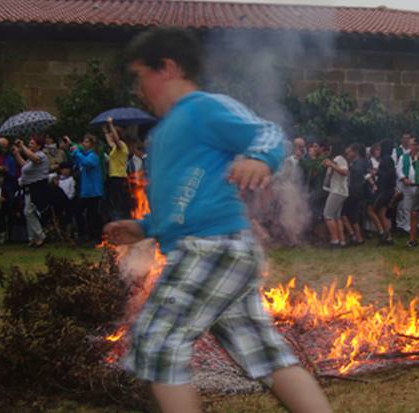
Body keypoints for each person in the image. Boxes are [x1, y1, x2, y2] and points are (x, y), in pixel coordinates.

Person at [103, 28, 331, 413]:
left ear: (168, 68)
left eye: (141, 75)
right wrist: (144, 228)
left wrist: (260, 158)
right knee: (267, 356)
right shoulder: (162, 138)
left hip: (213, 248)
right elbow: (179, 205)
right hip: (215, 251)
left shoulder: (202, 109)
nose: (138, 88)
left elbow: (268, 134)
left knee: (157, 342)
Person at [12, 136, 50, 248]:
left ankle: (40, 236)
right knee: (28, 212)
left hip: (38, 187)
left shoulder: (41, 155)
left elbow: (35, 159)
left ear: (39, 146)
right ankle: (34, 237)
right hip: (29, 187)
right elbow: (25, 166)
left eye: (32, 144)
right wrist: (16, 154)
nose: (29, 145)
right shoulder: (30, 158)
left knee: (30, 212)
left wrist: (22, 146)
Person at [67, 134, 104, 246]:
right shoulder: (85, 155)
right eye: (83, 142)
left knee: (93, 215)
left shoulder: (93, 156)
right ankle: (84, 235)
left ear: (92, 144)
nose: (84, 144)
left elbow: (87, 163)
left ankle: (96, 237)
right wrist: (73, 153)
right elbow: (78, 163)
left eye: (87, 142)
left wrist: (77, 152)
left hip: (93, 191)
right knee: (79, 212)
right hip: (85, 192)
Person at [103, 118, 131, 221]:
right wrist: (106, 132)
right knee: (114, 203)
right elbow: (110, 142)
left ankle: (120, 221)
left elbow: (115, 139)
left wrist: (111, 125)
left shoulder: (121, 146)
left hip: (119, 178)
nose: (111, 136)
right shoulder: (115, 147)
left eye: (112, 134)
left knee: (118, 204)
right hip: (114, 178)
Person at [322, 145, 349, 247]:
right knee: (336, 217)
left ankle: (335, 241)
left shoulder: (339, 158)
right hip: (338, 191)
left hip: (338, 191)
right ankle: (342, 241)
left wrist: (331, 165)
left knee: (327, 215)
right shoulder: (337, 159)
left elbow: (345, 172)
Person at [342, 143, 368, 245]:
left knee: (342, 213)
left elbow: (356, 174)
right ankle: (359, 238)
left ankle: (353, 235)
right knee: (353, 215)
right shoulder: (359, 162)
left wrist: (349, 168)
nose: (348, 154)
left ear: (355, 152)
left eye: (350, 152)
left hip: (353, 191)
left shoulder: (358, 163)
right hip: (357, 191)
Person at [373, 139, 397, 245]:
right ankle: (388, 237)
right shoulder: (389, 159)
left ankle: (387, 236)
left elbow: (386, 175)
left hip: (385, 190)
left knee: (380, 212)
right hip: (389, 189)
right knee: (383, 213)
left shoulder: (385, 159)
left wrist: (377, 173)